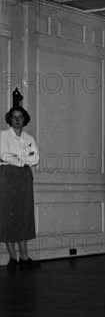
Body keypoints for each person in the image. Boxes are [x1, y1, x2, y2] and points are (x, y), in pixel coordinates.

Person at [0, 105, 40, 270]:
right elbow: (4, 154)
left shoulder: (29, 138)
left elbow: (35, 157)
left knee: (23, 215)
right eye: (14, 117)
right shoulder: (3, 136)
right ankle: (13, 257)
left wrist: (18, 159)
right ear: (10, 119)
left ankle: (24, 256)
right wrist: (23, 159)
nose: (17, 120)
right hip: (7, 177)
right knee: (8, 215)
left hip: (24, 178)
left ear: (24, 119)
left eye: (20, 117)